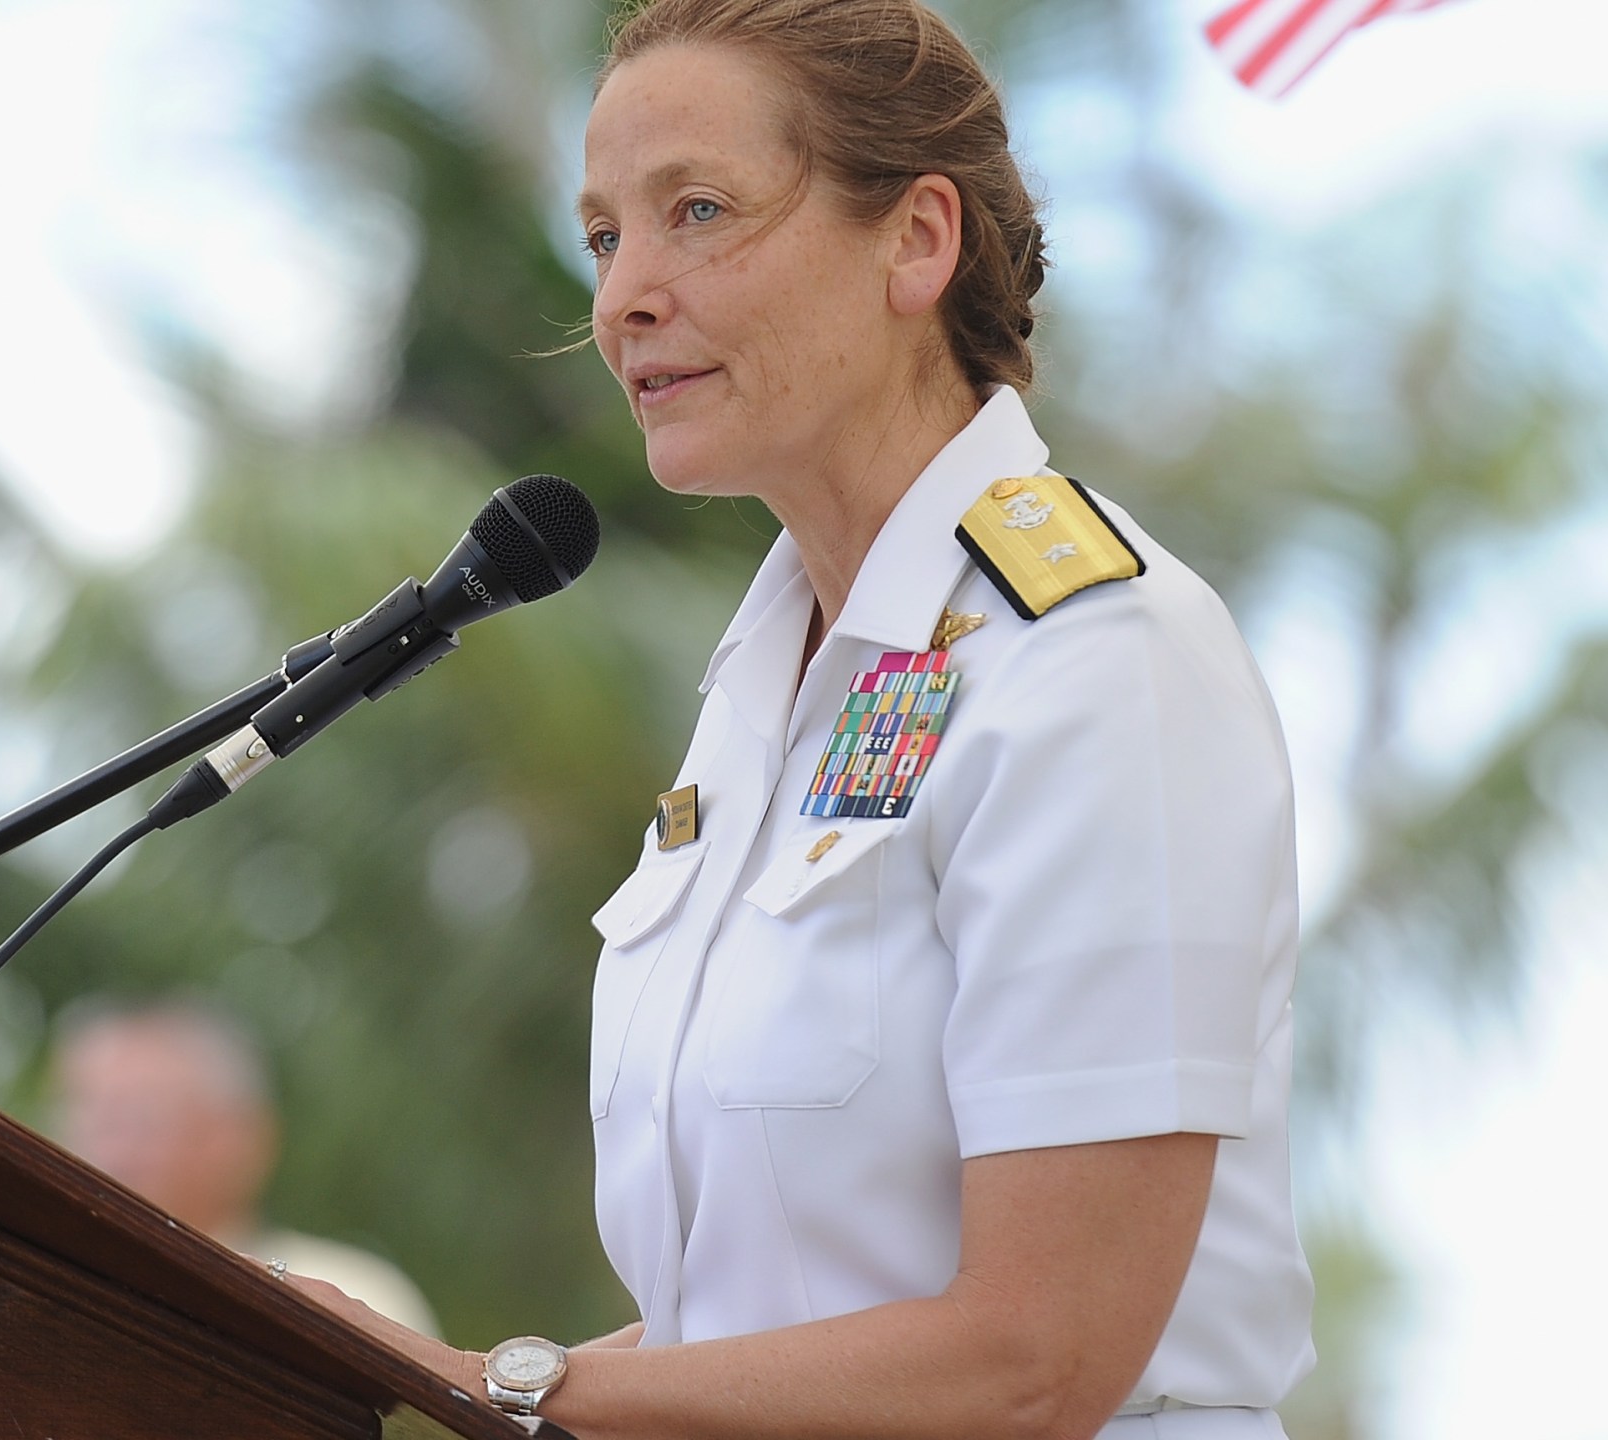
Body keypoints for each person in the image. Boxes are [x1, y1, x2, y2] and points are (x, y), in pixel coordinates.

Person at [277, 1, 1314, 1434]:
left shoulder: (1094, 660)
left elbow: (1038, 1363)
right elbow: (761, 1320)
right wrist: (460, 1399)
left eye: (696, 212)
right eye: (602, 236)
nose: (623, 296)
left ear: (916, 241)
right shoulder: (770, 680)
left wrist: (498, 1390)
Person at [49, 1000, 440, 1338]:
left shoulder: (355, 1297)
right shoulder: (37, 1276)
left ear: (242, 1136)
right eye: (88, 1115)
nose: (110, 1148)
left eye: (139, 1117)